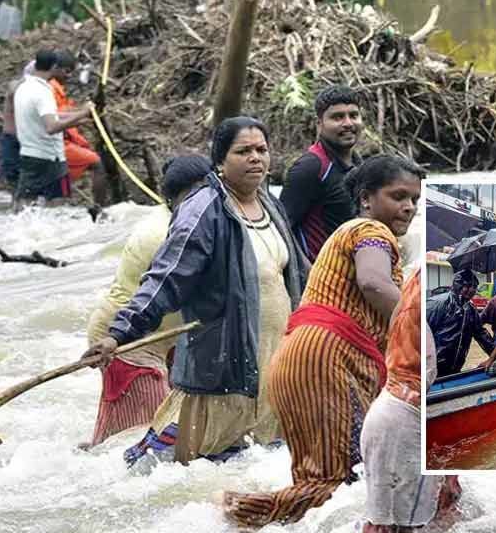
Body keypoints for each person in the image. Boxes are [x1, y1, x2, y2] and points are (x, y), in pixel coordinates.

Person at [84, 116, 306, 469]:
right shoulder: (204, 209)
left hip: (272, 355)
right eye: (243, 151)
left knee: (255, 464)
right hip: (223, 356)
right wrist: (119, 333)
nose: (255, 158)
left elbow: (297, 272)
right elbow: (165, 278)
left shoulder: (269, 203)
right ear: (220, 161)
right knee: (174, 467)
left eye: (262, 150)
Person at [222, 155, 424, 528]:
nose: (409, 206)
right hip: (326, 362)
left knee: (336, 480)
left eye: (415, 198)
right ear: (366, 199)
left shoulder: (348, 235)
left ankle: (236, 513)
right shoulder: (370, 232)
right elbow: (373, 283)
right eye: (398, 196)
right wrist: (420, 330)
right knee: (338, 483)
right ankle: (230, 514)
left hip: (304, 359)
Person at [83, 154, 212, 448]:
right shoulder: (169, 233)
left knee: (124, 438)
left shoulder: (181, 218)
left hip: (150, 335)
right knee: (141, 441)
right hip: (128, 340)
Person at [360, 270, 461, 532]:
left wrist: (447, 474)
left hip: (389, 418)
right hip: (400, 423)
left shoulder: (408, 310)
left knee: (381, 525)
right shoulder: (418, 319)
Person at [281, 85, 364, 262]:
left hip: (353, 273)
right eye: (337, 117)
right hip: (320, 279)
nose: (348, 123)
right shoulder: (310, 168)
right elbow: (282, 230)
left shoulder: (360, 166)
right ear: (320, 124)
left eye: (353, 115)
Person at [13, 50, 91, 208]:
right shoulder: (43, 91)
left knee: (24, 205)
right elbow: (51, 126)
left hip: (29, 155)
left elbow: (49, 116)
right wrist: (83, 113)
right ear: (54, 67)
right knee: (57, 206)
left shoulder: (22, 87)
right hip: (51, 158)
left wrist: (81, 117)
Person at [50, 51, 107, 206]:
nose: (69, 76)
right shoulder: (51, 89)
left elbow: (66, 111)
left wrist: (84, 114)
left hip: (59, 143)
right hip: (57, 144)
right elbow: (58, 116)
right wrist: (83, 113)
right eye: (66, 71)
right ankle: (98, 209)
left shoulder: (57, 89)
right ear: (56, 68)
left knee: (60, 183)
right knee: (97, 163)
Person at [428, 269, 488, 377]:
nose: (471, 290)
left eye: (474, 287)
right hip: (431, 370)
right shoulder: (438, 304)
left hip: (454, 370)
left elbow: (482, 335)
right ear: (457, 285)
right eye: (467, 286)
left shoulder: (470, 310)